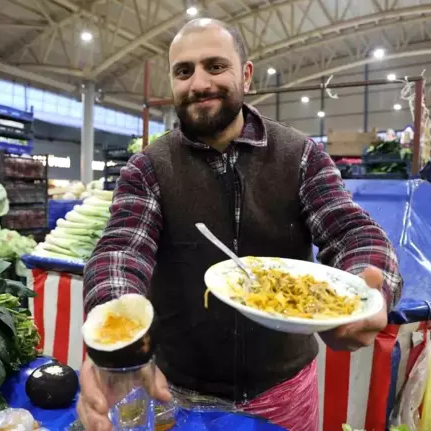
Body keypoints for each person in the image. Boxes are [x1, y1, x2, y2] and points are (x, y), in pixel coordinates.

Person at [78, 18, 402, 431]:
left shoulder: (300, 155)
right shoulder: (148, 168)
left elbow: (352, 232)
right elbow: (120, 251)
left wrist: (367, 290)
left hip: (283, 392)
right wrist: (114, 343)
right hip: (176, 392)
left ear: (246, 75)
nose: (198, 83)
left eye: (215, 66)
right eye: (184, 71)